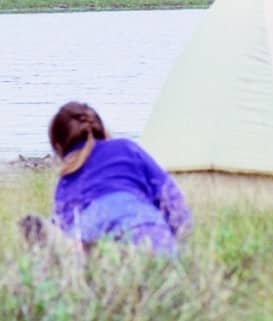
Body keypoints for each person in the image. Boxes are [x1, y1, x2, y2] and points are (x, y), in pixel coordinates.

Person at [45, 101, 190, 256]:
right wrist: (177, 235)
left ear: (59, 147)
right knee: (159, 256)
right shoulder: (127, 147)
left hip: (93, 221)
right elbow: (172, 200)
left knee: (71, 238)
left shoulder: (66, 179)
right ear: (101, 130)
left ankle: (57, 241)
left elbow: (65, 221)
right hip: (142, 220)